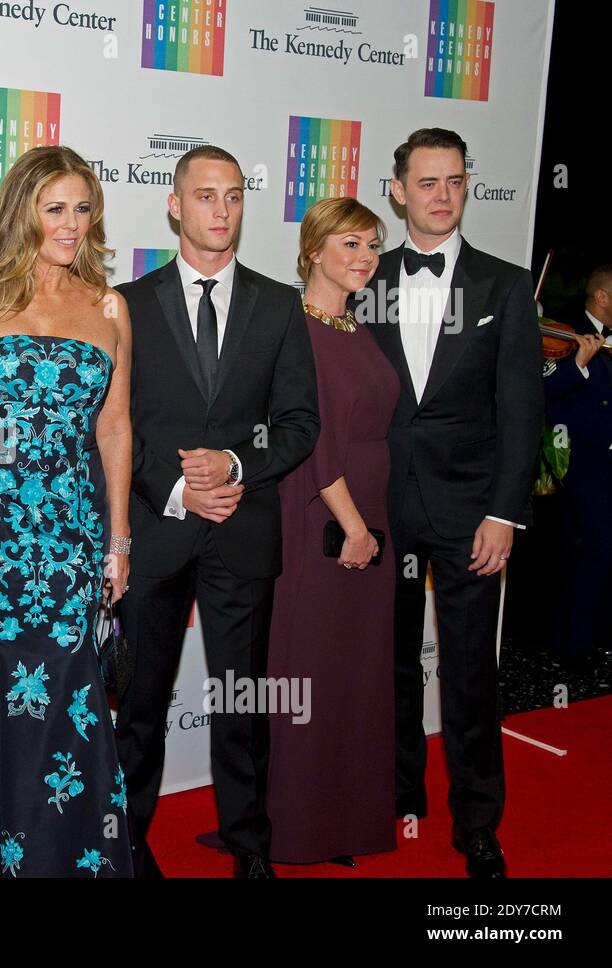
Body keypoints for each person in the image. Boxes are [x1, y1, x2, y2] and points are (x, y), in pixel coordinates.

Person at [116, 145, 320, 878]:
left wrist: (236, 465)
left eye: (233, 196)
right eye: (206, 197)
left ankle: (249, 847)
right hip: (155, 534)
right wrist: (172, 490)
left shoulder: (277, 303)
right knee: (139, 706)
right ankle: (128, 845)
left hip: (242, 533)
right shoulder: (127, 304)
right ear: (175, 205)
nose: (222, 211)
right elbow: (113, 430)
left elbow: (300, 423)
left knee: (241, 706)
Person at [0, 144, 134, 878]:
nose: (72, 224)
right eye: (55, 208)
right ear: (23, 211)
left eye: (83, 209)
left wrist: (117, 542)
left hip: (73, 540)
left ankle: (72, 860)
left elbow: (115, 428)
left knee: (70, 701)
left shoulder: (109, 305)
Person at [356, 127, 543, 879]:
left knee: (470, 672)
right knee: (389, 665)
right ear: (397, 191)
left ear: (467, 186)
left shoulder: (504, 285)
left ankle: (478, 822)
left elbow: (521, 413)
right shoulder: (364, 278)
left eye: (454, 181)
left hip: (473, 514)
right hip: (382, 509)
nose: (441, 195)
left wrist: (504, 512)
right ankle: (398, 793)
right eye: (426, 182)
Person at [262, 197, 398, 865]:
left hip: (371, 516)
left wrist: (373, 524)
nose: (365, 256)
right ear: (314, 249)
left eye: (372, 244)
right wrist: (353, 526)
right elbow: (312, 439)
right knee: (311, 668)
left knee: (353, 670)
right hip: (325, 518)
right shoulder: (298, 328)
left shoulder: (353, 326)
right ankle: (299, 826)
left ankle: (345, 820)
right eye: (349, 244)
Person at [541, 265, 612, 665]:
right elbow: (540, 390)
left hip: (608, 463)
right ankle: (572, 647)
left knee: (604, 556)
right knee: (583, 556)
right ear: (601, 297)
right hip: (578, 465)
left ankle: (598, 637)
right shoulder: (561, 334)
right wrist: (579, 365)